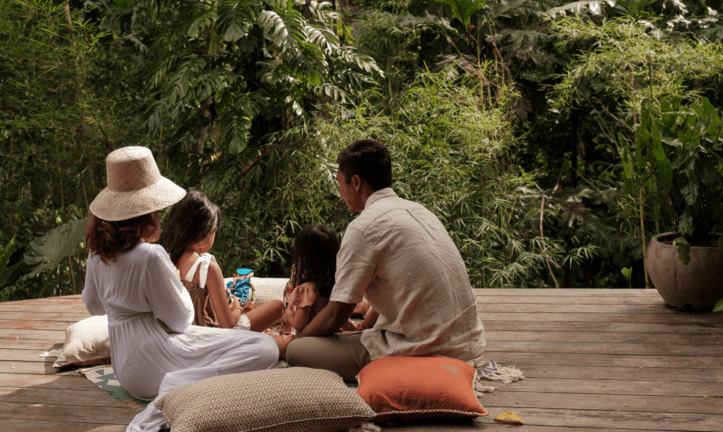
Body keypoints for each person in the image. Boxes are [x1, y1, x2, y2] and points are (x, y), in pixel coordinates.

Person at [81, 147, 279, 431]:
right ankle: (178, 387)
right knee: (266, 347)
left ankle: (180, 385)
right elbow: (180, 320)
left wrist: (126, 305)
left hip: (124, 369)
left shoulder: (97, 253)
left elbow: (95, 306)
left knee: (230, 345)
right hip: (157, 363)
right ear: (147, 210)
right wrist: (172, 280)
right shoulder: (150, 256)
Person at [285, 139, 486, 381]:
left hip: (426, 349)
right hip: (468, 343)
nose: (340, 192)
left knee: (296, 351)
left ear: (356, 182)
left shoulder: (364, 228)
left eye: (340, 184)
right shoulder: (419, 211)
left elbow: (335, 314)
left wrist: (298, 337)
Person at [158, 191, 283, 331]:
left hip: (181, 330)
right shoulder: (206, 267)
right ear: (203, 232)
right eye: (215, 231)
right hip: (211, 335)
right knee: (277, 306)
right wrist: (237, 308)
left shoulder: (162, 258)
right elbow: (227, 325)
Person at [274, 224, 373, 357]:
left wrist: (287, 311)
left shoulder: (306, 289)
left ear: (304, 257)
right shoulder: (340, 282)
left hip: (314, 343)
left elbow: (298, 324)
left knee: (272, 342)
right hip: (338, 337)